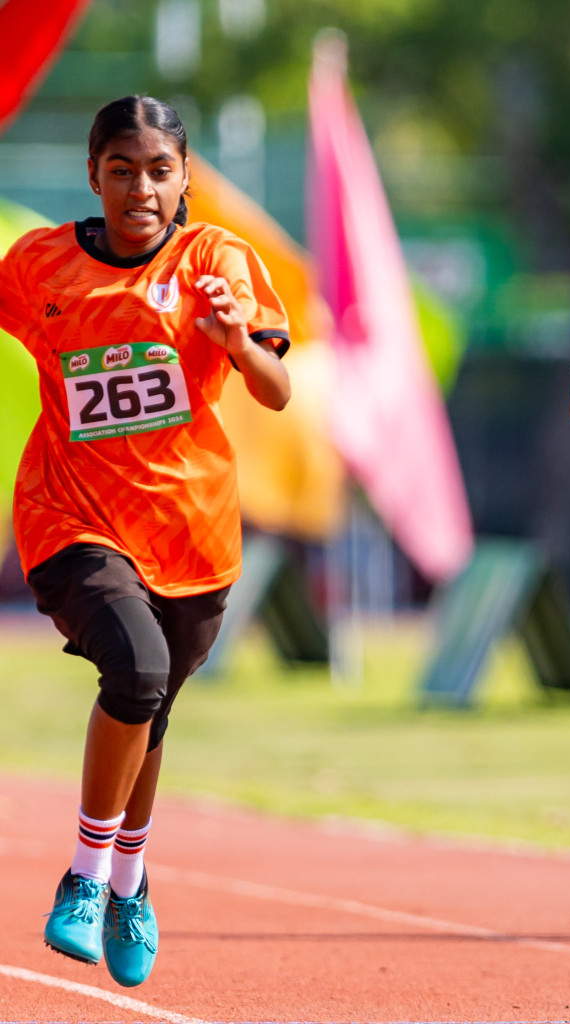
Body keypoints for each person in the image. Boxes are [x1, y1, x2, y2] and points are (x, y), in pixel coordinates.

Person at [3, 95, 291, 988]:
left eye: (158, 169)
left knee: (151, 703)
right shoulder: (40, 263)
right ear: (93, 176)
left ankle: (130, 880)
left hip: (192, 535)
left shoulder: (217, 262)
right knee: (132, 672)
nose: (140, 187)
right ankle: (86, 878)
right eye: (121, 169)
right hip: (70, 516)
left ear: (184, 179)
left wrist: (237, 343)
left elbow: (278, 389)